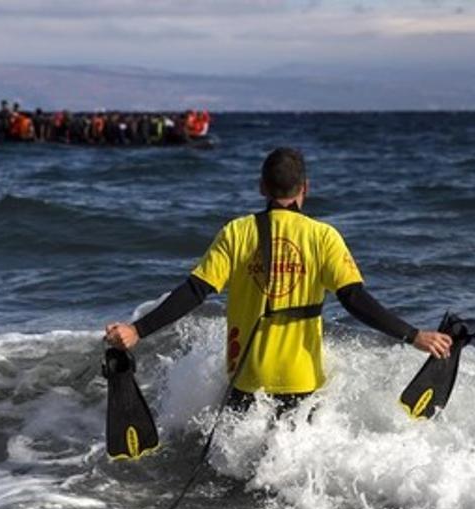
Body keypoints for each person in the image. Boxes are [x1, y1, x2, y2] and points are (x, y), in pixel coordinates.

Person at [104, 147, 451, 411]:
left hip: (247, 376)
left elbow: (195, 291)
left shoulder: (237, 233)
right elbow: (354, 300)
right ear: (305, 188)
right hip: (302, 379)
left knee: (237, 474)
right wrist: (413, 336)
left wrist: (138, 330)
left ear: (261, 187)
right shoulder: (323, 236)